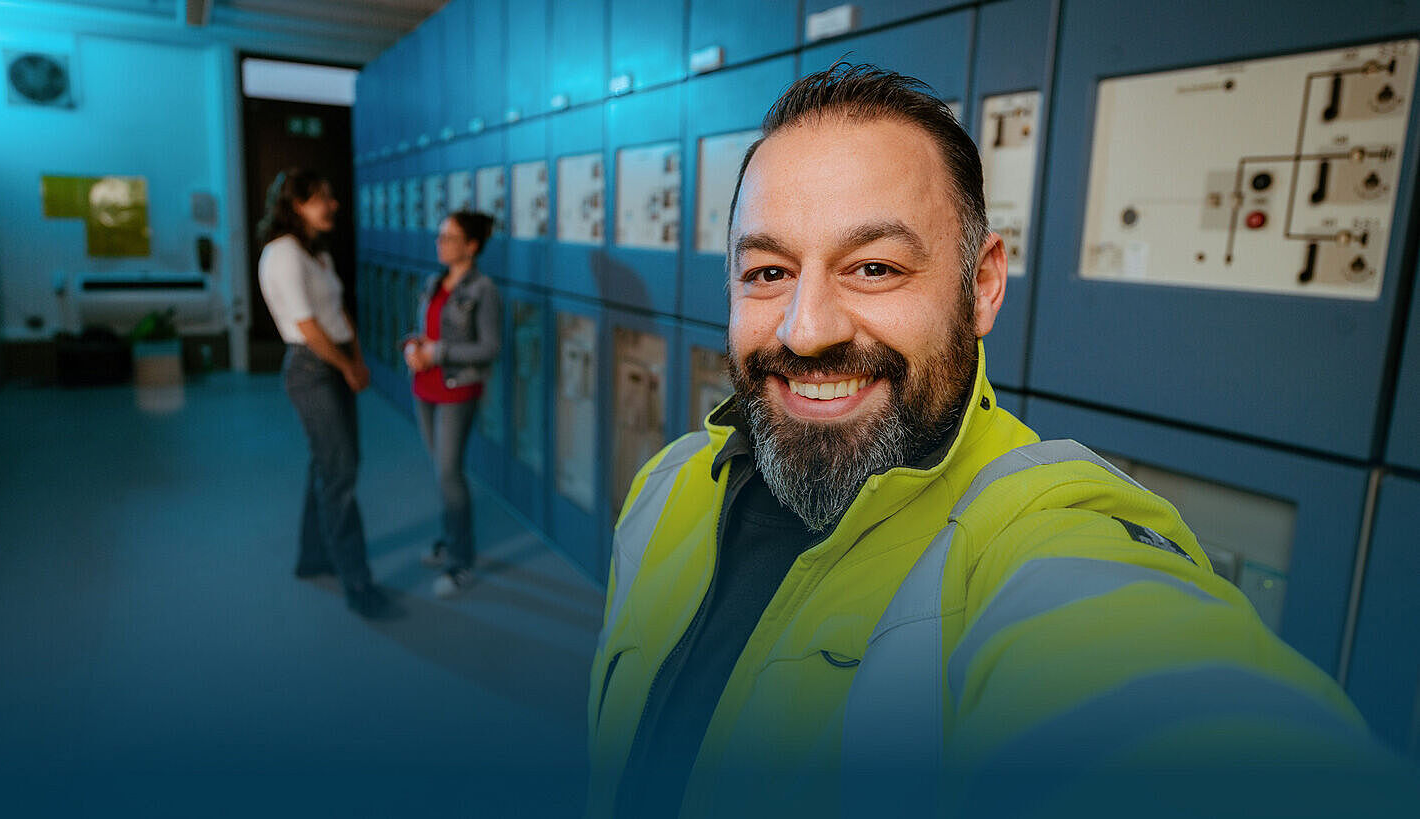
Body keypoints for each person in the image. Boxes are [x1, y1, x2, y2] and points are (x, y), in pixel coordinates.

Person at [588, 65, 1409, 818]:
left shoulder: (1032, 532)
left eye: (873, 268)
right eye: (767, 272)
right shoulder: (664, 486)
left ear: (981, 286)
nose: (806, 331)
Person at [257, 168, 387, 619]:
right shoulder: (282, 253)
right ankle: (356, 580)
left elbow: (336, 309)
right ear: (297, 205)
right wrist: (347, 364)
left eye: (330, 197)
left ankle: (314, 556)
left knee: (329, 465)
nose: (331, 205)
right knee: (341, 472)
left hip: (337, 359)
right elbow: (308, 328)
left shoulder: (317, 254)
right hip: (313, 368)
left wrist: (359, 357)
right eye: (321, 198)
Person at [403, 210, 501, 598]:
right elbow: (426, 332)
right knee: (441, 472)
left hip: (456, 391)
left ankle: (461, 561)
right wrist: (413, 346)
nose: (440, 243)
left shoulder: (484, 290)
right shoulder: (434, 282)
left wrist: (437, 352)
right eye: (440, 236)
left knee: (449, 474)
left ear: (471, 246)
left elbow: (490, 347)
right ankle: (450, 538)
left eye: (449, 237)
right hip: (424, 387)